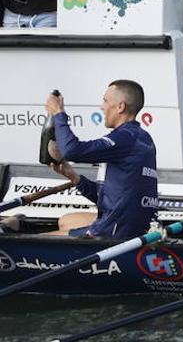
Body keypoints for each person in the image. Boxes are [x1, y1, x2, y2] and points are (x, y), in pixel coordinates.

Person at [43, 80, 157, 239]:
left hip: (118, 230)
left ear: (120, 107)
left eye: (105, 101)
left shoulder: (125, 138)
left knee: (38, 239)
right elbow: (106, 198)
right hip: (134, 223)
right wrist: (73, 176)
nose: (101, 107)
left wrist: (58, 114)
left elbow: (71, 151)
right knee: (66, 220)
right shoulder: (141, 137)